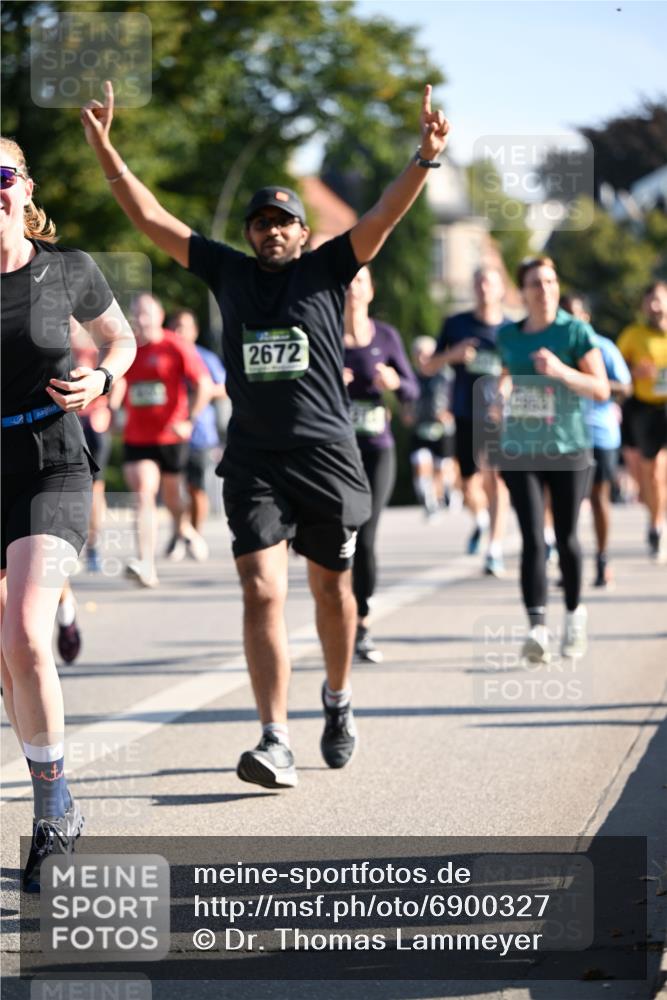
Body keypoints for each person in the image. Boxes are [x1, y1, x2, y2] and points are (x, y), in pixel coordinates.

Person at [81, 80, 450, 787]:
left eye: (282, 220)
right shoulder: (228, 273)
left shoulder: (327, 269)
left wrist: (423, 158)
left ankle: (337, 701)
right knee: (260, 591)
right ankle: (273, 737)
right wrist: (104, 149)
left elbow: (382, 214)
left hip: (328, 456)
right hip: (253, 459)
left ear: (301, 231)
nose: (271, 230)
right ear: (249, 233)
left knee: (331, 593)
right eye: (260, 222)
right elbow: (151, 217)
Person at [0, 137, 136, 890]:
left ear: (24, 188)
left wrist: (103, 379)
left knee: (25, 629)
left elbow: (123, 338)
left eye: (2, 174)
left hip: (51, 458)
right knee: (5, 654)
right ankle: (54, 786)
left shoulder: (67, 268)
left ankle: (52, 812)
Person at [494, 257, 609, 662]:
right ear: (523, 291)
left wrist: (561, 371)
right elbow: (506, 374)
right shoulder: (508, 335)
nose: (544, 289)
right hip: (520, 447)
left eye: (550, 281)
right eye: (535, 283)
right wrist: (500, 392)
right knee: (531, 540)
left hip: (567, 447)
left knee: (566, 536)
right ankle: (537, 628)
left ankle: (575, 617)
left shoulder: (575, 331)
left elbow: (600, 389)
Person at [343, 266, 418, 663]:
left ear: (370, 290)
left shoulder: (386, 336)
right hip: (335, 453)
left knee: (366, 535)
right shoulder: (325, 334)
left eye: (361, 281)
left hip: (377, 449)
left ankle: (363, 620)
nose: (353, 288)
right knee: (339, 537)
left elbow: (413, 388)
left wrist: (395, 382)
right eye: (348, 281)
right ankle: (340, 616)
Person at [111, 293, 212, 587]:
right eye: (135, 315)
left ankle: (184, 527)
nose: (139, 320)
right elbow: (119, 381)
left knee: (172, 497)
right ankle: (146, 564)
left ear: (158, 316)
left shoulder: (174, 345)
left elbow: (203, 385)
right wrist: (115, 411)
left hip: (171, 435)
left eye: (145, 314)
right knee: (143, 493)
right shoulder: (128, 348)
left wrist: (189, 421)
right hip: (137, 436)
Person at [422, 266, 511, 576]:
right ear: (474, 289)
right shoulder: (456, 324)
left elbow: (519, 371)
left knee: (497, 480)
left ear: (501, 289)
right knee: (468, 485)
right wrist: (453, 355)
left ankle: (494, 549)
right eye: (479, 283)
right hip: (464, 412)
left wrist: (505, 387)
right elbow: (429, 366)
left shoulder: (513, 329)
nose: (484, 288)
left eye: (490, 282)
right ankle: (481, 521)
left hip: (497, 417)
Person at [560, 293, 632, 586]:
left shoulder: (602, 346)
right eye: (563, 315)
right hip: (565, 435)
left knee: (599, 497)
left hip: (600, 432)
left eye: (574, 314)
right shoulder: (555, 350)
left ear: (586, 317)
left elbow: (625, 387)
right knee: (567, 502)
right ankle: (569, 560)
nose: (569, 320)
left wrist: (593, 383)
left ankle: (602, 557)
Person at [167, 308, 227, 556]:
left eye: (185, 327)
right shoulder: (164, 356)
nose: (180, 332)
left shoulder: (205, 358)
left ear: (195, 331)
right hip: (168, 432)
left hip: (199, 433)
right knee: (171, 488)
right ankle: (179, 534)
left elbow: (224, 387)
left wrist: (199, 392)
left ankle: (195, 534)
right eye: (176, 326)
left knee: (195, 488)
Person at [617, 281, 667, 562]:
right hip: (645, 407)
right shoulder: (633, 335)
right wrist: (635, 372)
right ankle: (656, 523)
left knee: (661, 471)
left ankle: (658, 522)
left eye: (659, 300)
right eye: (650, 301)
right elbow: (616, 372)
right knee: (651, 473)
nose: (655, 306)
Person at [71, 318, 113, 572]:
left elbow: (118, 378)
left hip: (94, 424)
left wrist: (110, 408)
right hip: (65, 423)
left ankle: (94, 547)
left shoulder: (100, 343)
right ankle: (68, 547)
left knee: (94, 490)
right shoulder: (53, 341)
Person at [406, 336, 457, 518]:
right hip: (420, 428)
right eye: (418, 354)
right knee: (420, 462)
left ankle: (448, 491)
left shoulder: (446, 375)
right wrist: (407, 412)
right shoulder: (411, 377)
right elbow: (405, 400)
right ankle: (429, 502)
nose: (423, 358)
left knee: (442, 466)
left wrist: (449, 413)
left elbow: (457, 398)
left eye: (427, 354)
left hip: (442, 429)